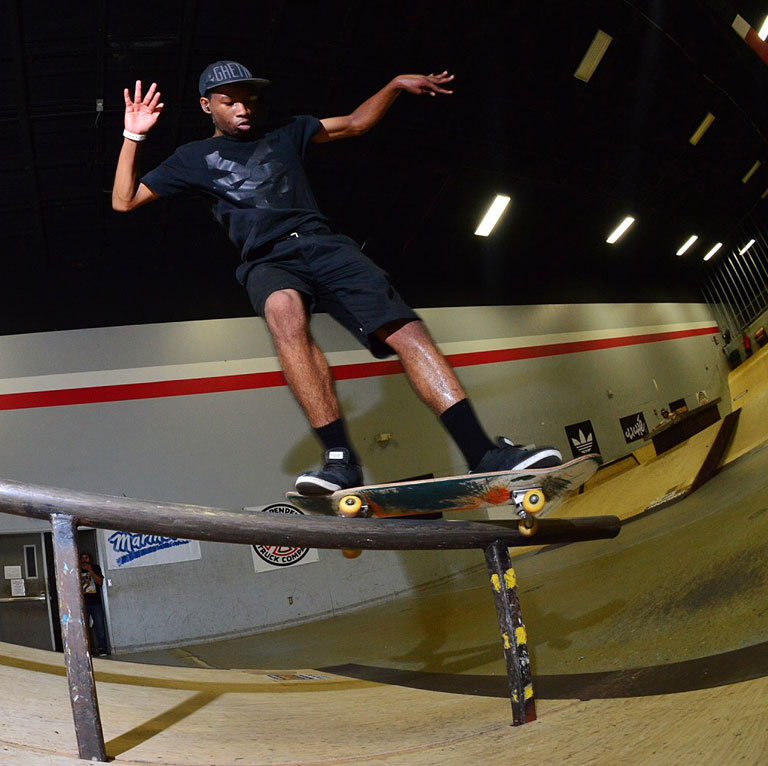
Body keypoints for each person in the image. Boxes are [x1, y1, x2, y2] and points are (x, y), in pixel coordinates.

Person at [111, 61, 561, 493]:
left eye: (248, 100)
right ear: (207, 105)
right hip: (267, 258)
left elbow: (356, 123)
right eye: (230, 102)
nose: (243, 110)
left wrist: (394, 85)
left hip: (324, 244)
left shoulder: (289, 130)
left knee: (406, 331)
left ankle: (482, 453)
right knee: (282, 311)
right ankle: (340, 462)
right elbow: (124, 202)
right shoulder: (191, 158)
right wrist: (134, 135)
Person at [79, 552, 110, 656]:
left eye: (86, 558)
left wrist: (90, 570)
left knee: (99, 626)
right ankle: (88, 649)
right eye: (82, 558)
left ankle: (102, 648)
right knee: (84, 628)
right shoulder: (76, 569)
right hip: (82, 604)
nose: (84, 560)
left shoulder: (95, 568)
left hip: (95, 603)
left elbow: (100, 582)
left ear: (90, 559)